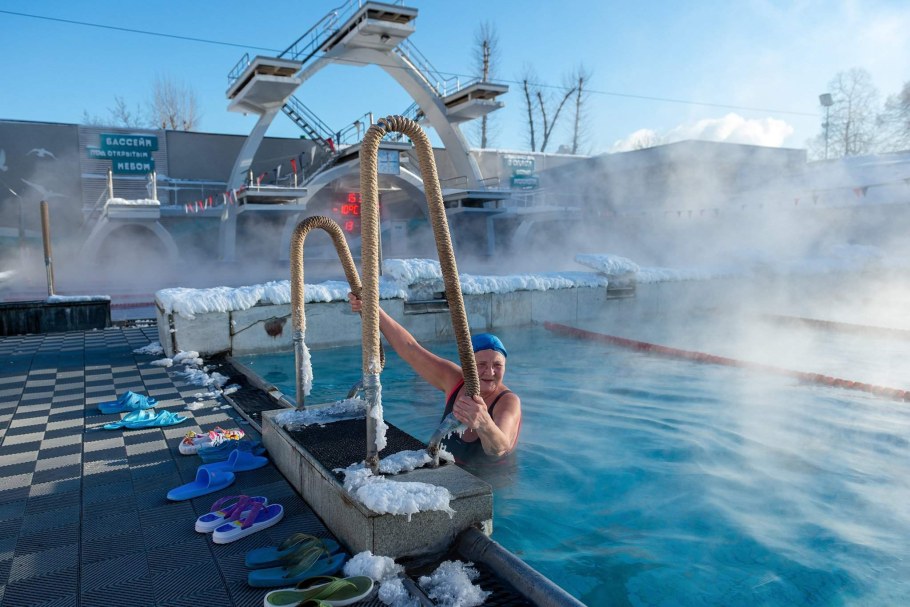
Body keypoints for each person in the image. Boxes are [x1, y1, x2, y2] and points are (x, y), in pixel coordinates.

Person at [348, 293, 521, 458]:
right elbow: (411, 349)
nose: (490, 372)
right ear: (467, 366)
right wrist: (373, 309)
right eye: (482, 364)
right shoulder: (454, 379)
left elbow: (499, 448)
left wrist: (485, 423)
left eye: (498, 365)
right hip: (449, 469)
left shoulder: (507, 401)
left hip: (492, 482)